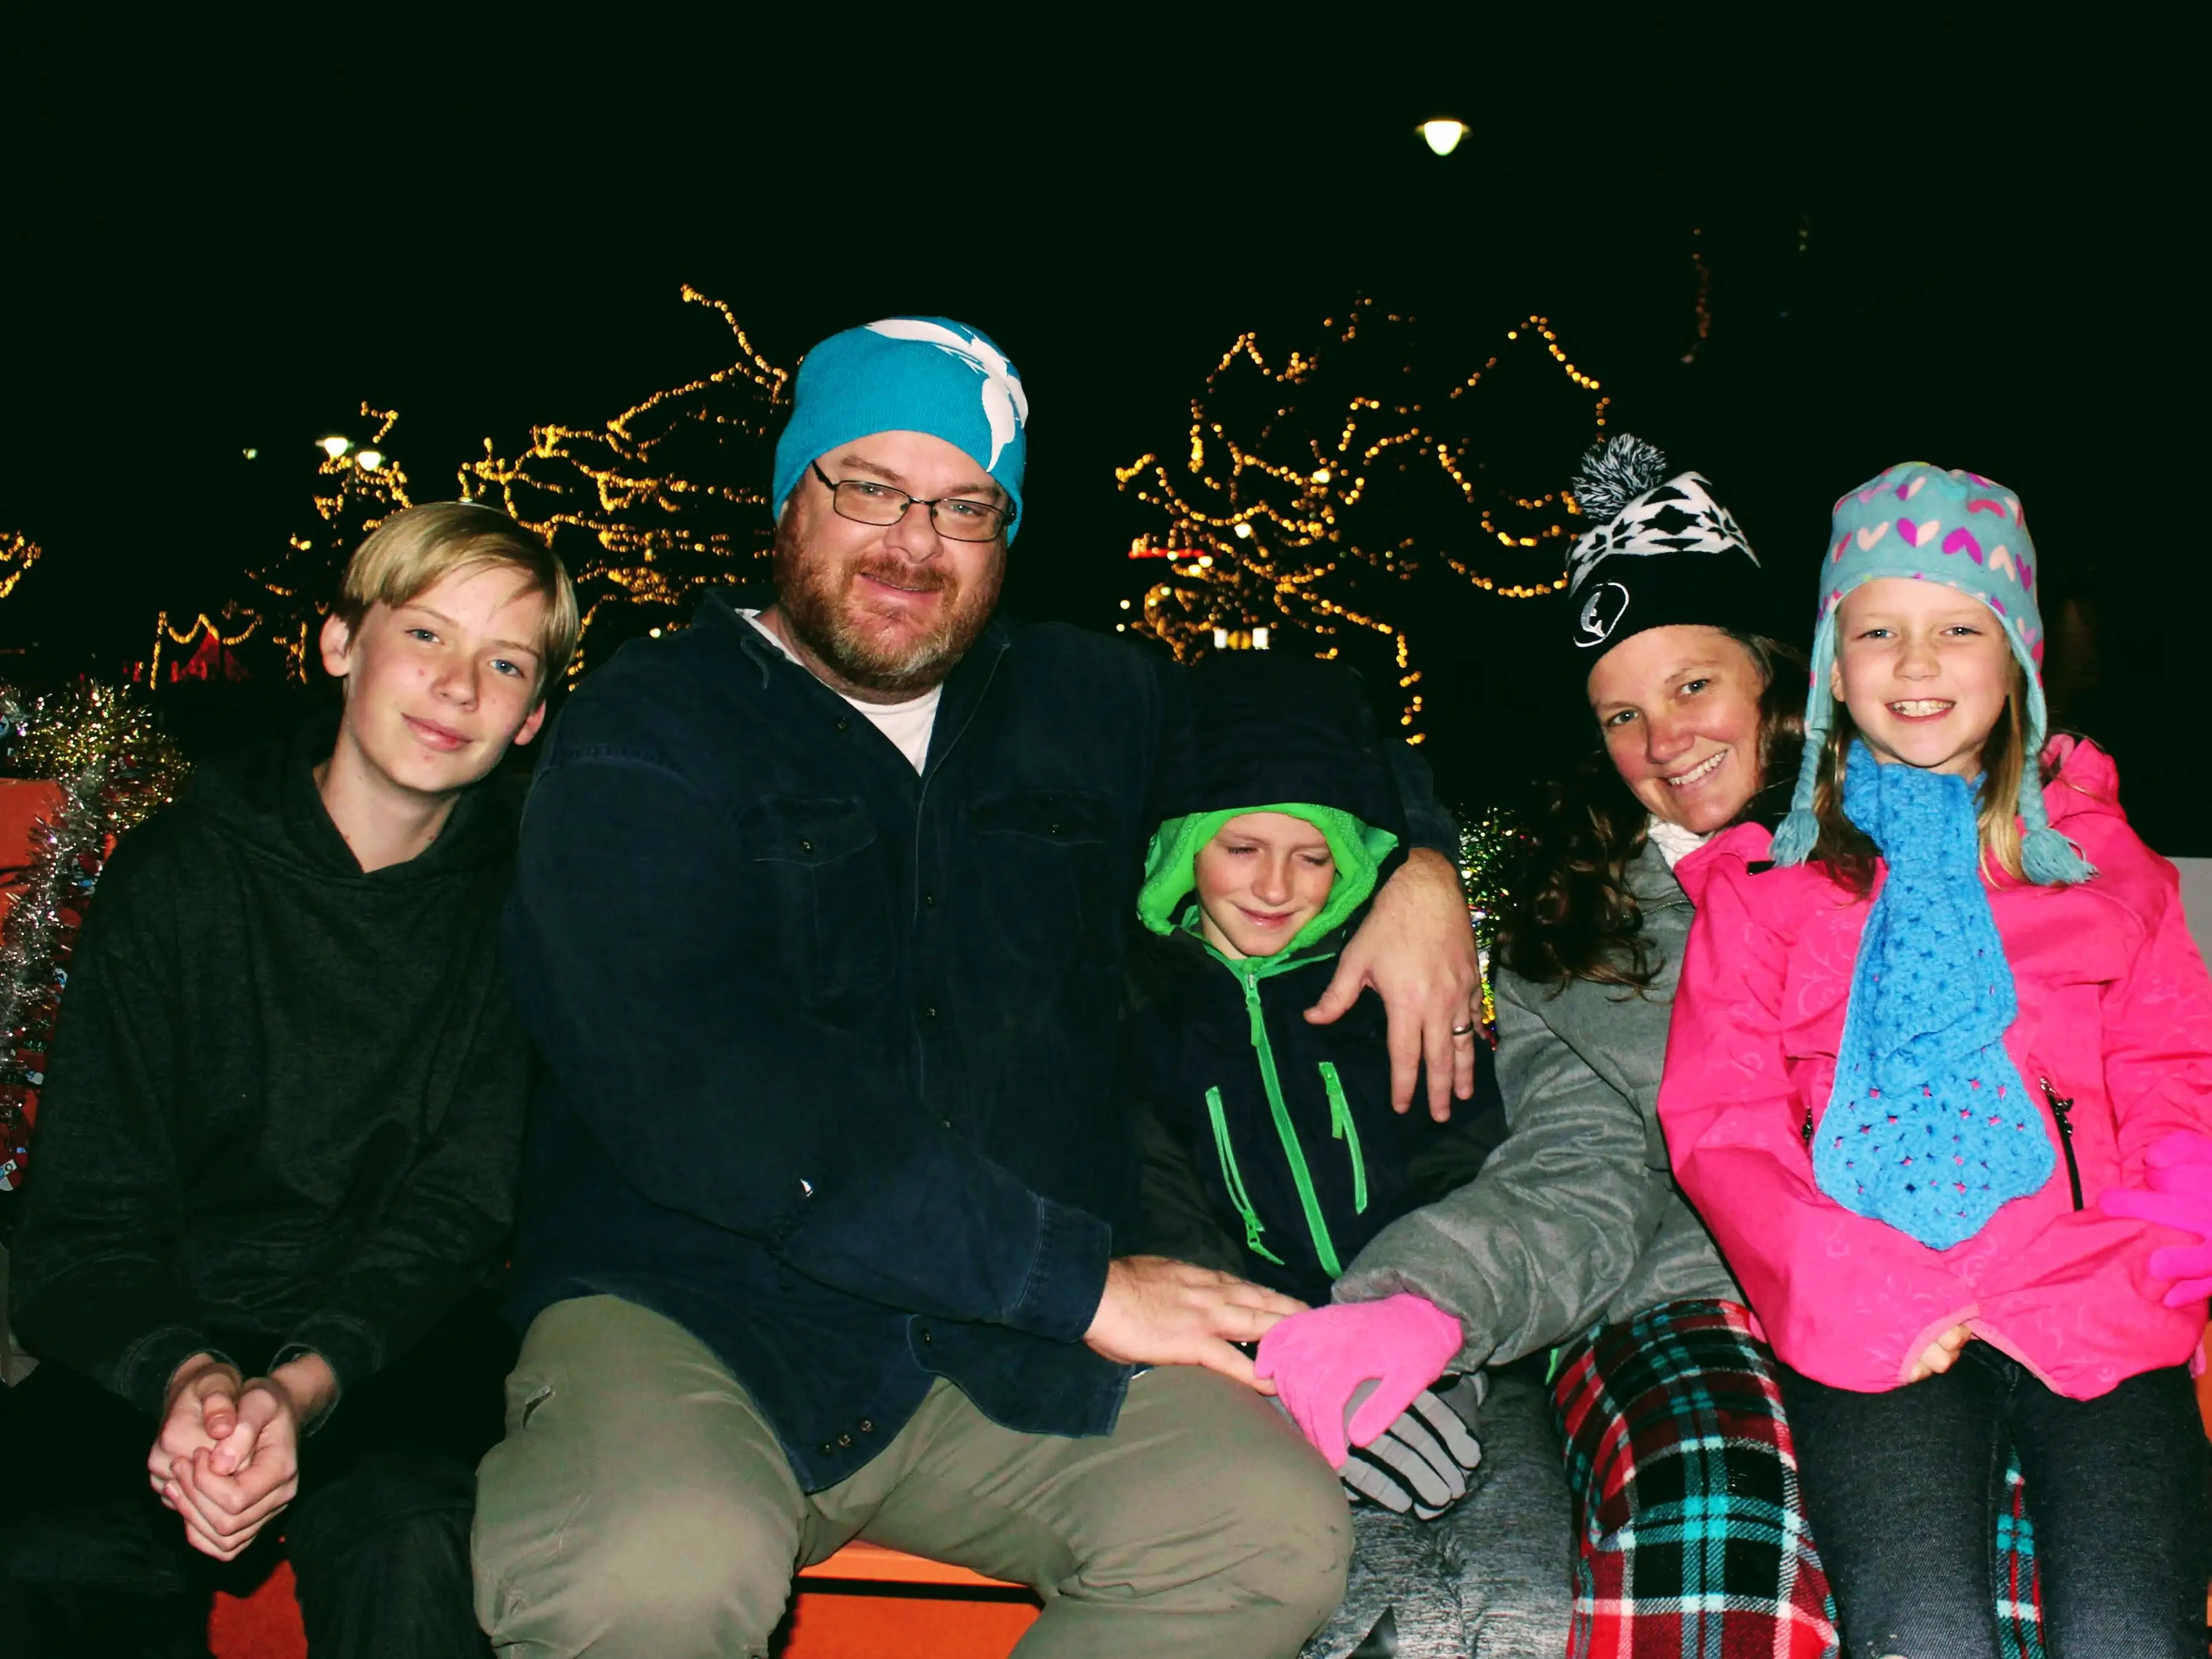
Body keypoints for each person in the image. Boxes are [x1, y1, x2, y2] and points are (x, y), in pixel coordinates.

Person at [471, 316, 1484, 1659]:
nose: (910, 543)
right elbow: (701, 1080)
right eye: (869, 489)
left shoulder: (1085, 699)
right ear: (790, 500)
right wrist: (1074, 1282)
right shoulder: (651, 728)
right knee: (646, 1573)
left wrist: (1420, 865)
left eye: (964, 507)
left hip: (1003, 1352)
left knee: (1259, 1532)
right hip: (701, 1311)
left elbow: (1298, 727)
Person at [1249, 434, 1870, 1659]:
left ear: (1773, 676)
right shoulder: (1567, 933)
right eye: (1621, 714)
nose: (1662, 740)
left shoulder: (1906, 861)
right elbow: (1582, 1174)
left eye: (1694, 687)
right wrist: (1421, 1297)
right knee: (1719, 1515)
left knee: (1981, 1558)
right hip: (1680, 1297)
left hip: (1918, 1292)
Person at [0, 502, 577, 1658]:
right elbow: (83, 1217)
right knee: (50, 1557)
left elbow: (458, 1218)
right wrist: (189, 1377)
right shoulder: (180, 876)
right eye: (425, 635)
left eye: (504, 662)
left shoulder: (528, 910)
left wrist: (303, 1387)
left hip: (397, 1349)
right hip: (158, 1332)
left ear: (534, 718)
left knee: (418, 1545)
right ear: (339, 644)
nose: (458, 686)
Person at [1658, 461, 2212, 1655]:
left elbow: (2179, 1067)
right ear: (1831, 665)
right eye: (1878, 632)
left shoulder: (2109, 867)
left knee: (2131, 1632)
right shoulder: (1767, 891)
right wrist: (1846, 1283)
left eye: (1958, 627)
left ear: (2015, 650)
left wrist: (2165, 1238)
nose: (1916, 667)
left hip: (2095, 1292)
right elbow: (1723, 1122)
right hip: (1873, 1308)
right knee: (1922, 1632)